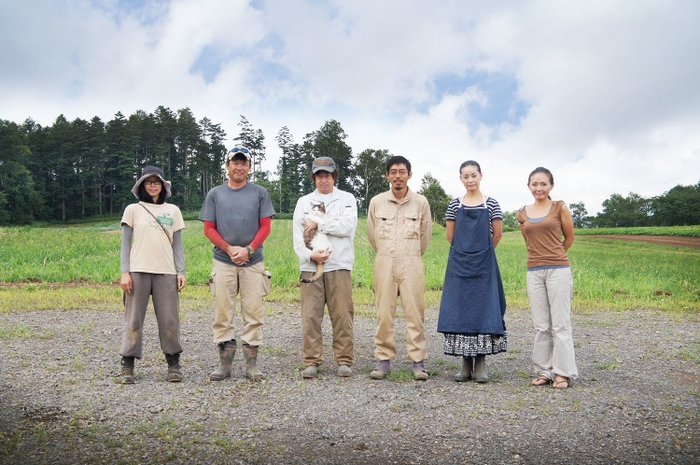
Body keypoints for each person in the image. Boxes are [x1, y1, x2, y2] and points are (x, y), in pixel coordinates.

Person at [199, 146, 275, 381]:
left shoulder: (259, 192)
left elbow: (265, 226)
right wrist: (230, 249)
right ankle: (225, 365)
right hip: (223, 261)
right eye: (235, 162)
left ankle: (251, 365)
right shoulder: (215, 194)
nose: (239, 166)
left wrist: (249, 249)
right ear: (227, 166)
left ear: (249, 167)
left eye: (244, 163)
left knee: (253, 312)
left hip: (253, 262)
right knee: (223, 312)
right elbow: (208, 228)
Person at [437, 160, 507, 383]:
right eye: (465, 176)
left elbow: (497, 235)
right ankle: (465, 364)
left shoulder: (492, 204)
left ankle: (481, 365)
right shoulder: (454, 205)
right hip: (459, 265)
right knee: (461, 310)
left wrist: (482, 254)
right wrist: (466, 255)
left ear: (481, 176)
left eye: (473, 175)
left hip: (485, 266)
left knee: (483, 309)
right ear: (461, 179)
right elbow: (451, 236)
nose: (470, 180)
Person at [367, 155, 432, 381]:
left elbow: (425, 236)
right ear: (387, 175)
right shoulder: (377, 202)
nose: (397, 176)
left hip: (412, 261)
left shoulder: (421, 202)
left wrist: (410, 254)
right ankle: (383, 360)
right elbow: (372, 235)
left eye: (402, 172)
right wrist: (388, 254)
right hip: (384, 260)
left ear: (409, 175)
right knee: (384, 313)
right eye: (393, 172)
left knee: (415, 313)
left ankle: (418, 362)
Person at [119, 166, 186, 384]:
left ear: (163, 186)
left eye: (157, 182)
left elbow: (178, 245)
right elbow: (125, 245)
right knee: (134, 319)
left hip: (166, 272)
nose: (153, 185)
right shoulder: (133, 210)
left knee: (169, 320)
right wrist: (125, 273)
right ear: (142, 186)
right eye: (149, 182)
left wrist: (181, 271)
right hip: (138, 271)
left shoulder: (173, 210)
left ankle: (173, 363)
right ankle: (128, 364)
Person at [292, 157, 358, 379]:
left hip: (339, 264)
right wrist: (309, 254)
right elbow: (297, 235)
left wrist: (319, 222)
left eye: (327, 175)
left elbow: (347, 226)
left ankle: (344, 360)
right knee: (310, 315)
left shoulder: (347, 199)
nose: (323, 179)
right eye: (319, 175)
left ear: (334, 176)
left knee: (342, 314)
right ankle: (311, 361)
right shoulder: (303, 202)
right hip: (311, 265)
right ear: (314, 177)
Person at [516, 167, 578, 389]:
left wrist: (555, 255)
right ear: (529, 186)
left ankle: (563, 373)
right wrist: (540, 258)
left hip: (558, 270)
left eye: (543, 184)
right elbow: (529, 242)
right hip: (534, 271)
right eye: (534, 184)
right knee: (541, 325)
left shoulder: (559, 207)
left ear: (551, 185)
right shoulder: (523, 212)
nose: (539, 188)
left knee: (560, 324)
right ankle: (544, 371)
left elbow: (569, 237)